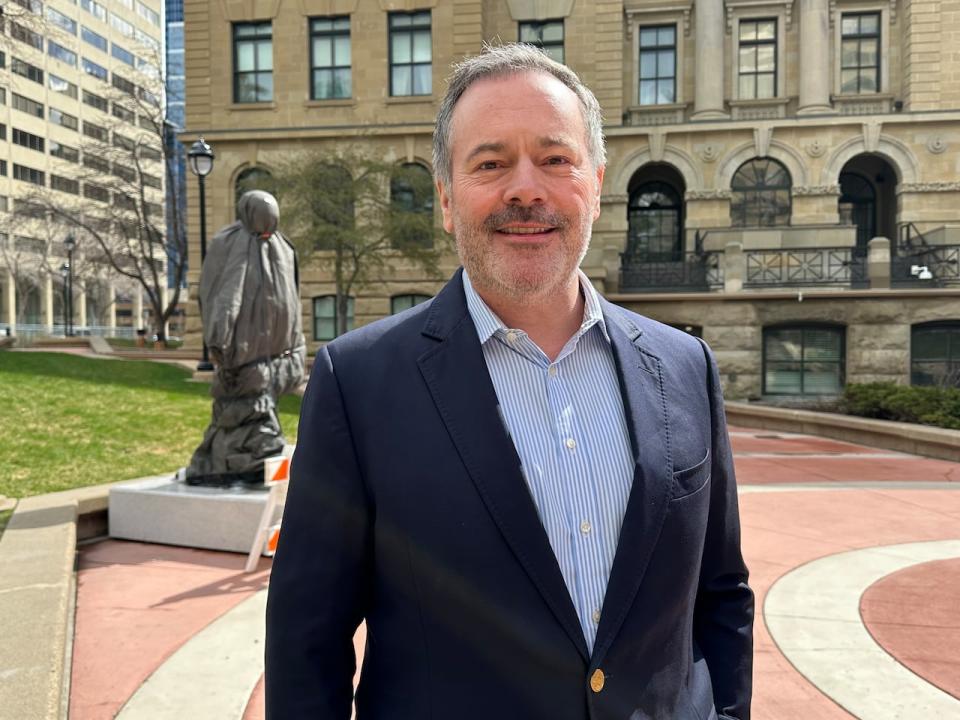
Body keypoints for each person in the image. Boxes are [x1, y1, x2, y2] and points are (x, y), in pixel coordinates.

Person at [266, 44, 753, 719]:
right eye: (491, 163)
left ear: (597, 182)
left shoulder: (684, 366)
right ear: (445, 197)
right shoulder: (358, 382)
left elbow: (721, 591)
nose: (526, 189)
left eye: (555, 159)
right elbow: (305, 642)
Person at [184, 190, 306, 487]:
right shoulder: (231, 244)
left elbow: (291, 300)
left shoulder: (281, 248)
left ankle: (245, 466)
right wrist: (220, 340)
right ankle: (229, 466)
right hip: (245, 355)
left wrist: (294, 347)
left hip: (273, 355)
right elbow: (224, 294)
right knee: (242, 412)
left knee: (255, 413)